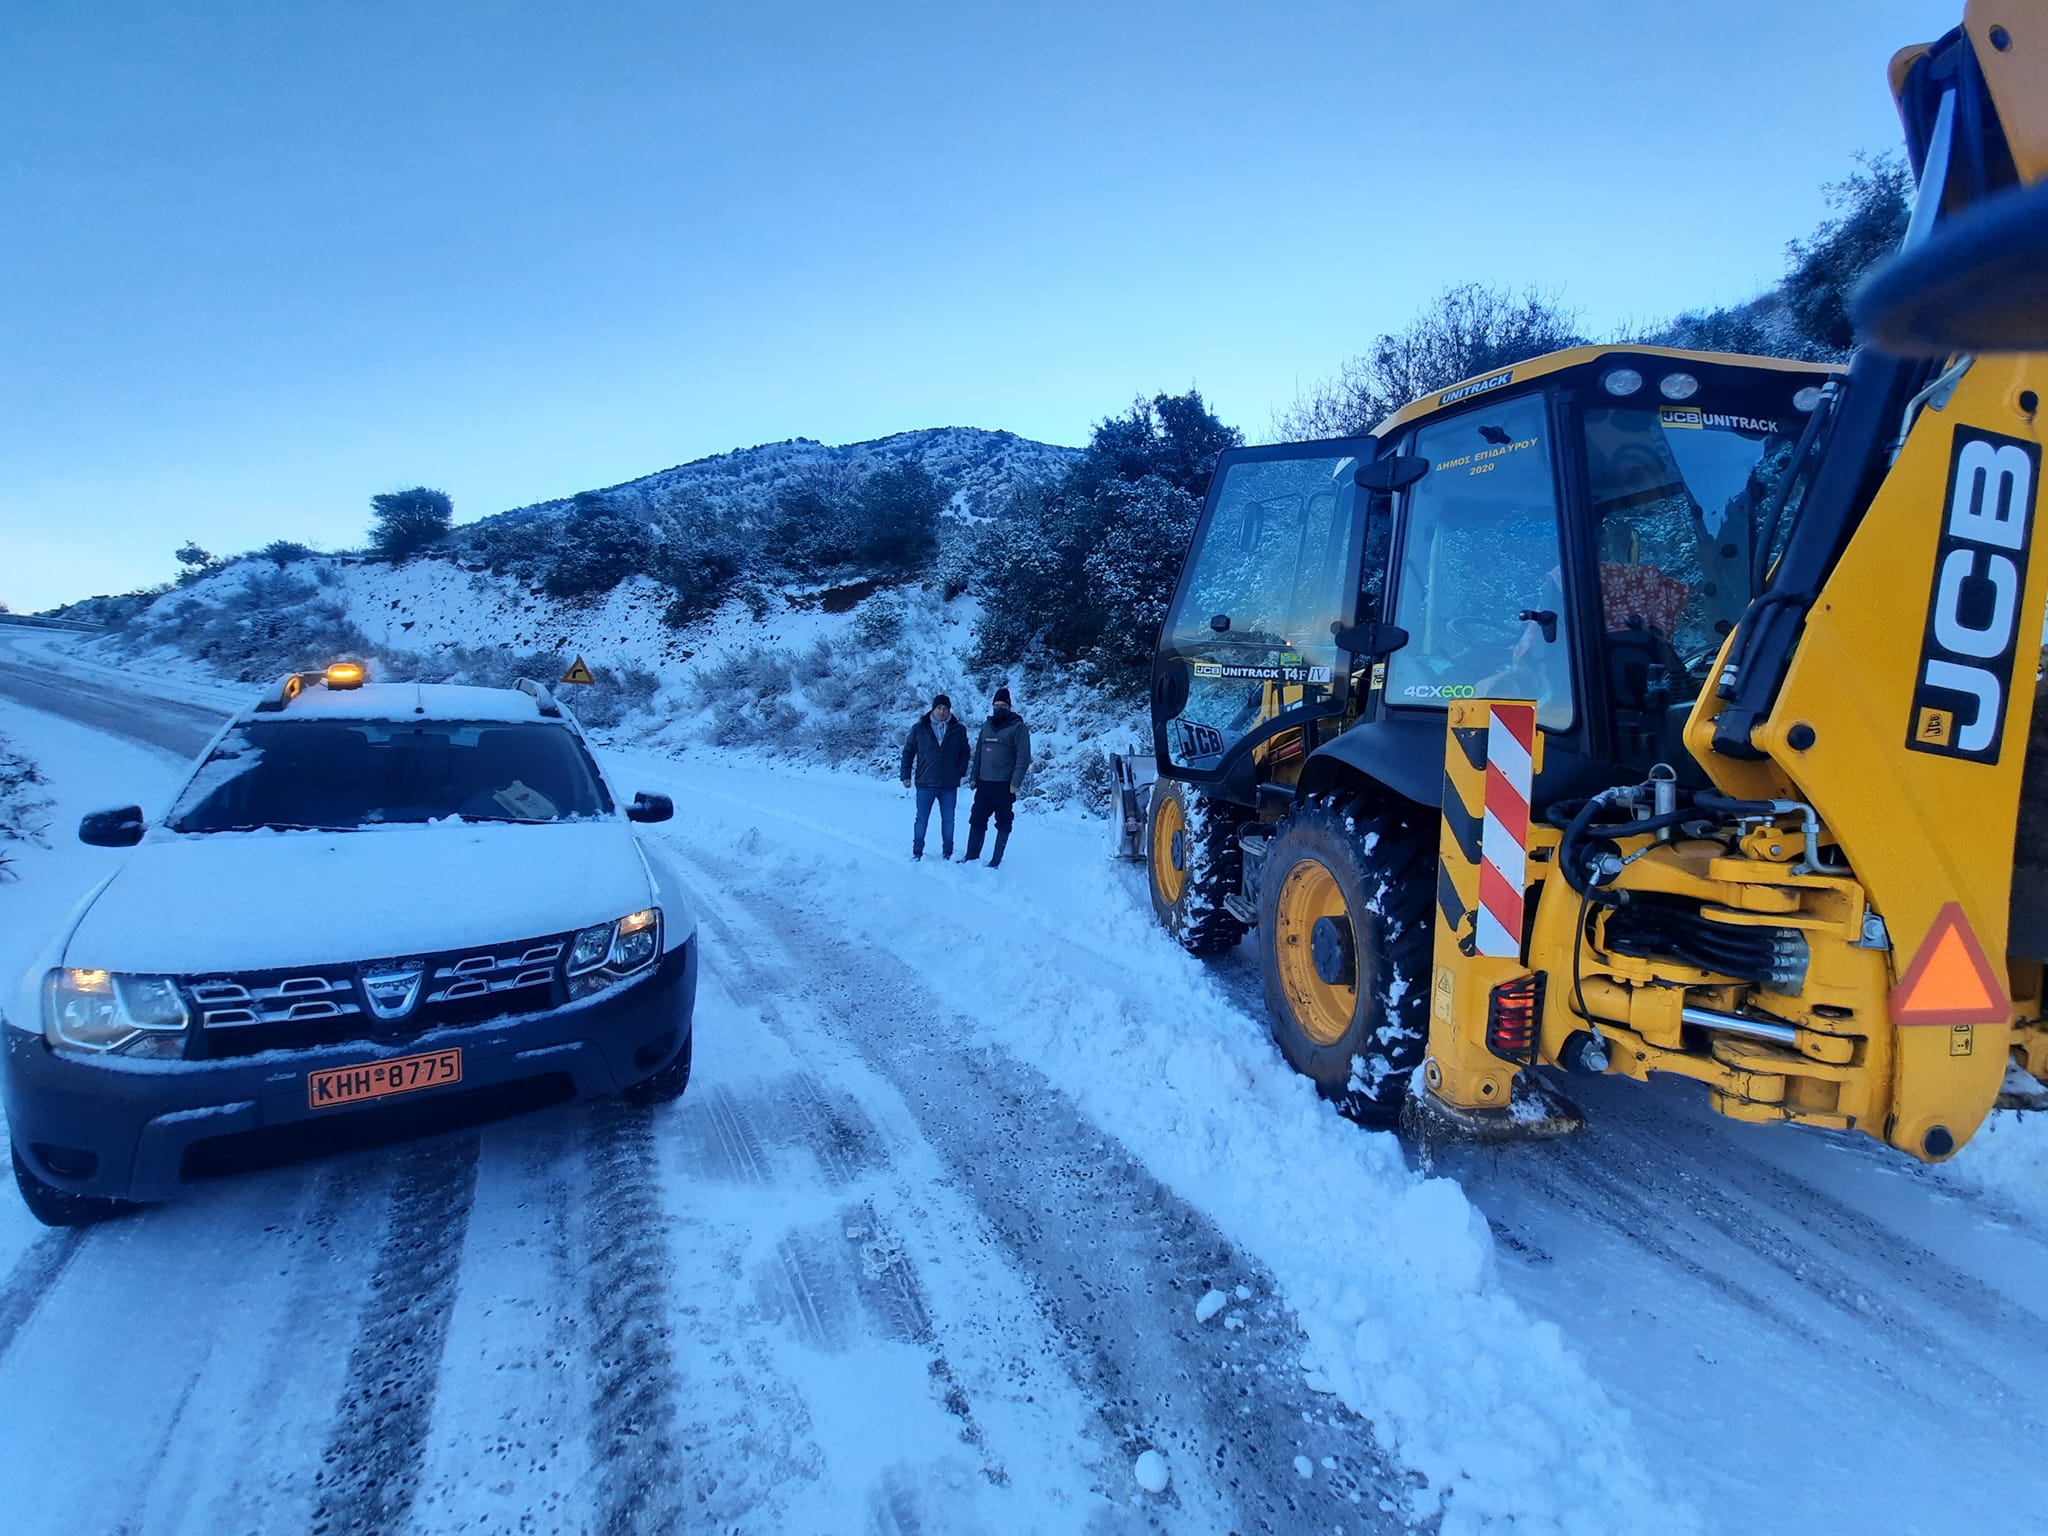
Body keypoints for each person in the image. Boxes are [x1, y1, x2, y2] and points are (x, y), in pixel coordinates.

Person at [963, 685, 1031, 868]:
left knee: (1003, 822)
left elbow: (1023, 758)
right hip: (984, 784)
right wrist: (973, 776)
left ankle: (995, 860)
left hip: (1004, 785)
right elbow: (978, 754)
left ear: (1009, 707)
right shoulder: (986, 727)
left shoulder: (1018, 728)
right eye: (997, 704)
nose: (999, 707)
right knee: (977, 818)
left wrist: (1015, 783)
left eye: (1003, 705)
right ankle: (971, 856)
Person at [899, 692, 970, 860]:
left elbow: (965, 752)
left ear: (949, 710)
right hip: (925, 782)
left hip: (948, 784)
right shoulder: (919, 728)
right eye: (939, 708)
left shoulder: (958, 729)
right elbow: (908, 752)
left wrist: (959, 771)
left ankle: (948, 852)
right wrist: (905, 775)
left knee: (948, 820)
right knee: (921, 819)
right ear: (933, 709)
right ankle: (917, 851)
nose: (942, 711)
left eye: (945, 708)